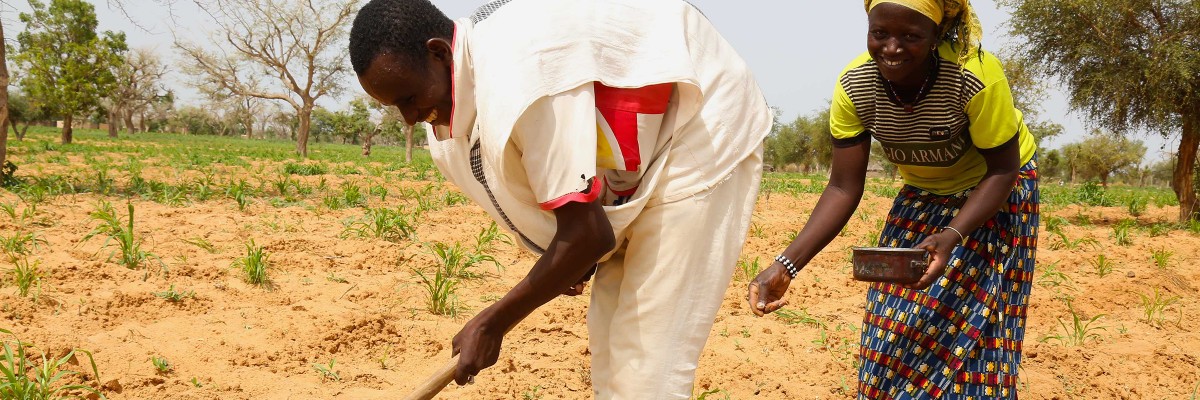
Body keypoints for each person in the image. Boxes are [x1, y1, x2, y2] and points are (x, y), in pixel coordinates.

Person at [349, 0, 772, 398]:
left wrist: (494, 322)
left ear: (440, 54)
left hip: (703, 126)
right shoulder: (456, 122)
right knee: (612, 352)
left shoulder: (523, 75)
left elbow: (587, 235)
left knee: (650, 364)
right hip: (634, 167)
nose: (408, 118)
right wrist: (570, 255)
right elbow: (578, 232)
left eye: (408, 99)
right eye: (394, 107)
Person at [747, 0, 1038, 399]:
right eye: (880, 33)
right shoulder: (855, 86)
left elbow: (1003, 170)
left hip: (995, 191)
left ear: (937, 36)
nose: (892, 48)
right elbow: (843, 187)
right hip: (922, 193)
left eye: (911, 36)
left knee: (973, 322)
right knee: (893, 324)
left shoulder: (973, 76)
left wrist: (952, 234)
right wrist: (785, 266)